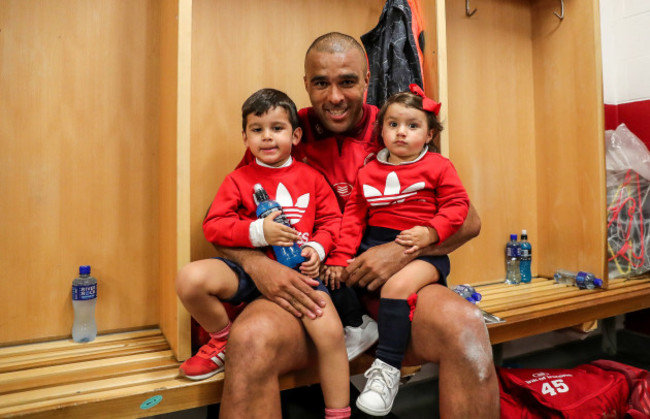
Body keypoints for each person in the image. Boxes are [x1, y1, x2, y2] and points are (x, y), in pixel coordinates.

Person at [195, 32, 499, 418]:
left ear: (367, 80)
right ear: (306, 84)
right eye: (321, 83)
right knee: (250, 340)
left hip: (387, 290)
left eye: (347, 82)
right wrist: (261, 268)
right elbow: (219, 222)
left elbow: (468, 221)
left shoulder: (395, 124)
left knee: (466, 327)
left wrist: (398, 252)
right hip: (309, 290)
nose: (334, 96)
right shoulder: (283, 129)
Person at [175, 88, 351, 418]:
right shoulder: (237, 180)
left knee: (330, 334)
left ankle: (339, 412)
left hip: (301, 276)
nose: (267, 138)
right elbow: (214, 225)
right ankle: (222, 339)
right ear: (245, 136)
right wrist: (257, 232)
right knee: (190, 278)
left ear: (296, 135)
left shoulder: (312, 178)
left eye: (277, 128)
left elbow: (333, 222)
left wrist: (316, 248)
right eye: (257, 130)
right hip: (248, 271)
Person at [325, 85, 470, 416]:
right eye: (393, 124)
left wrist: (431, 232)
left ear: (430, 134)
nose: (401, 132)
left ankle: (387, 370)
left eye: (413, 125)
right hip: (373, 241)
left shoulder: (439, 166)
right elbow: (354, 218)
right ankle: (358, 326)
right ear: (382, 130)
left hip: (423, 251)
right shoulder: (368, 170)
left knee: (396, 286)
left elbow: (458, 205)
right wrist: (340, 257)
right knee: (336, 276)